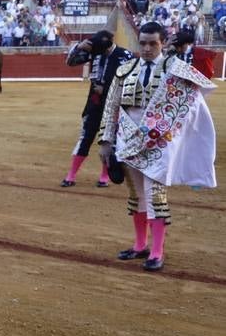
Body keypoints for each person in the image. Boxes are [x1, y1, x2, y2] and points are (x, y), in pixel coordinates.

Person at [98, 21, 217, 272]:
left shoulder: (176, 70)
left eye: (153, 43)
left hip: (160, 143)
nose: (147, 48)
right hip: (128, 139)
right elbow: (112, 107)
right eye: (142, 43)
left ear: (163, 43)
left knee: (156, 196)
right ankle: (140, 244)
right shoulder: (125, 70)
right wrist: (106, 141)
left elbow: (194, 101)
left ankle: (157, 250)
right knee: (136, 195)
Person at [60, 30, 133, 187]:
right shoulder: (97, 52)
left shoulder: (125, 56)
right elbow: (70, 62)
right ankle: (71, 175)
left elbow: (131, 85)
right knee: (86, 137)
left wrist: (105, 88)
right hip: (94, 103)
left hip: (115, 106)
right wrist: (78, 46)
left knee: (109, 140)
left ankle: (104, 177)